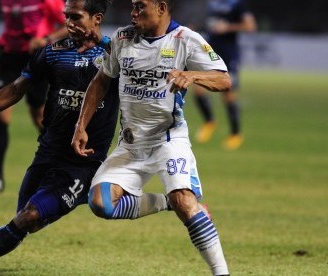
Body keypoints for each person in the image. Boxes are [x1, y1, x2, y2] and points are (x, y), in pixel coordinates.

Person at [0, 0, 144, 273]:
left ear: (97, 18)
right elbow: (16, 89)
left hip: (82, 162)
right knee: (25, 221)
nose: (69, 24)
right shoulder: (52, 53)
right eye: (66, 17)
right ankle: (86, 194)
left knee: (28, 217)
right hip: (47, 153)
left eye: (76, 17)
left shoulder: (116, 53)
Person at [71, 0, 231, 275]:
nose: (133, 13)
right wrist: (80, 125)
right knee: (101, 203)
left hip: (168, 140)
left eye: (139, 7)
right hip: (131, 144)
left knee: (184, 201)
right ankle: (166, 202)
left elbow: (224, 80)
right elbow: (101, 80)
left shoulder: (186, 40)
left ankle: (221, 272)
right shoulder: (123, 38)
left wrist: (192, 75)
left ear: (161, 7)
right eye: (132, 7)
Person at [0, 0, 68, 192]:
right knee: (1, 111)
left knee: (39, 116)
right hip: (9, 60)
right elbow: (12, 30)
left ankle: (64, 163)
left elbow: (68, 25)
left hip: (35, 58)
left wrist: (46, 39)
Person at [192, 0, 257, 150]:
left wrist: (228, 27)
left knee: (228, 94)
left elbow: (250, 26)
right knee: (198, 86)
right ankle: (209, 122)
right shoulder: (212, 3)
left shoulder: (237, 4)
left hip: (228, 54)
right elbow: (207, 23)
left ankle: (235, 134)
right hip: (210, 53)